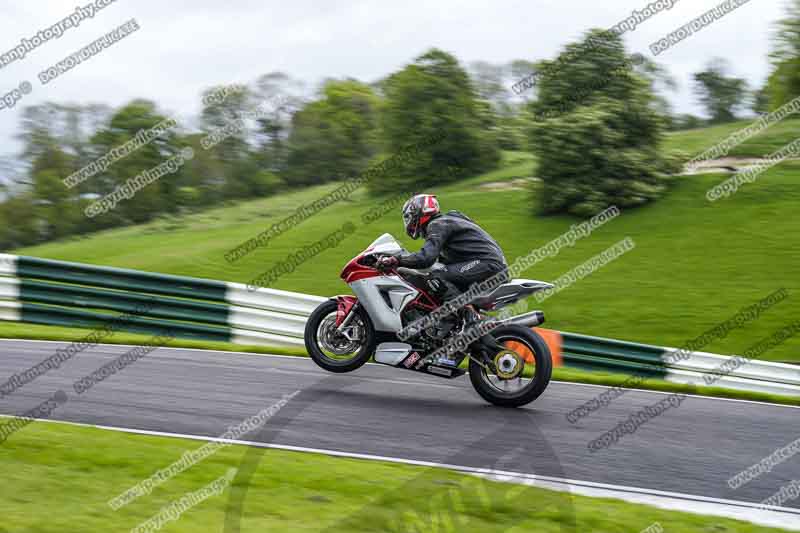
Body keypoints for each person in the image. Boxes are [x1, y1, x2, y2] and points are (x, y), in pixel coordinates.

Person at [378, 194, 508, 300]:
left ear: (420, 211)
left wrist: (398, 260)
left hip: (487, 263)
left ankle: (466, 313)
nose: (409, 221)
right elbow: (434, 260)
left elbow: (426, 258)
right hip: (489, 263)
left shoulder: (437, 224)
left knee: (437, 277)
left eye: (409, 216)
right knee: (439, 276)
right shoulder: (448, 220)